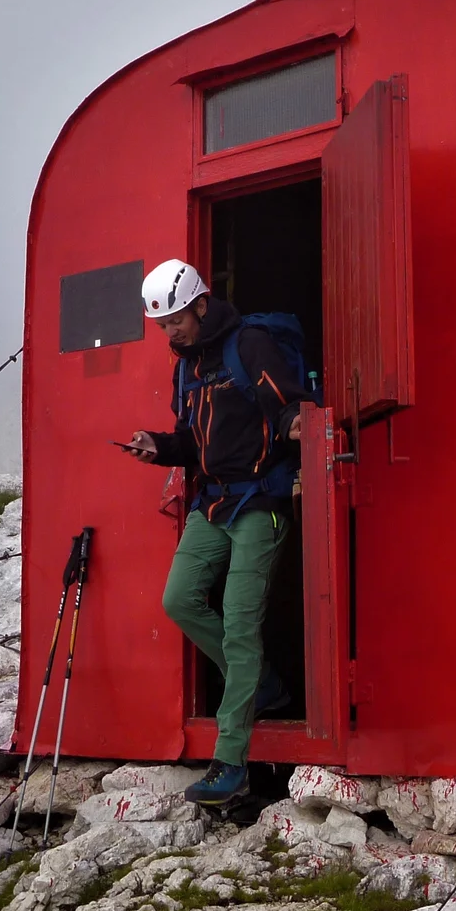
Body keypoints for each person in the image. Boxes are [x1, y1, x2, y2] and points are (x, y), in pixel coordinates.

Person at [120, 259, 307, 807]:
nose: (170, 331)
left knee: (240, 627)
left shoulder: (249, 346)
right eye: (162, 325)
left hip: (261, 501)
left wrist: (298, 421)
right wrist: (158, 446)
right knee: (179, 600)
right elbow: (189, 439)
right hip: (213, 503)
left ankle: (231, 762)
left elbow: (287, 403)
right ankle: (264, 685)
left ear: (201, 304)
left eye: (176, 319)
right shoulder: (188, 368)